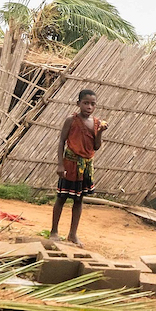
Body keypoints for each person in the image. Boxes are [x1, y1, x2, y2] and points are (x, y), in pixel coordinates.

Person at [50, 89, 108, 245]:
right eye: (86, 103)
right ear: (78, 104)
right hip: (70, 163)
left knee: (79, 199)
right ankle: (54, 231)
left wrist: (101, 132)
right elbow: (62, 141)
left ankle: (72, 234)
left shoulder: (96, 124)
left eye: (92, 104)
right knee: (62, 197)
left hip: (86, 167)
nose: (89, 107)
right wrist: (60, 164)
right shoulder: (71, 120)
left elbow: (96, 146)